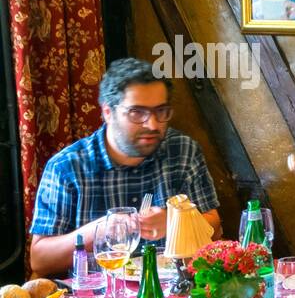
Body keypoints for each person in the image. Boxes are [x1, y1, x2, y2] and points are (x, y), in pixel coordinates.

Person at [28, 57, 222, 277]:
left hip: (172, 288)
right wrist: (100, 230)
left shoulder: (183, 151)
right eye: (137, 112)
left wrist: (176, 221)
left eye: (161, 111)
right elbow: (40, 260)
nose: (152, 124)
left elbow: (214, 227)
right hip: (98, 294)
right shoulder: (67, 167)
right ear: (108, 112)